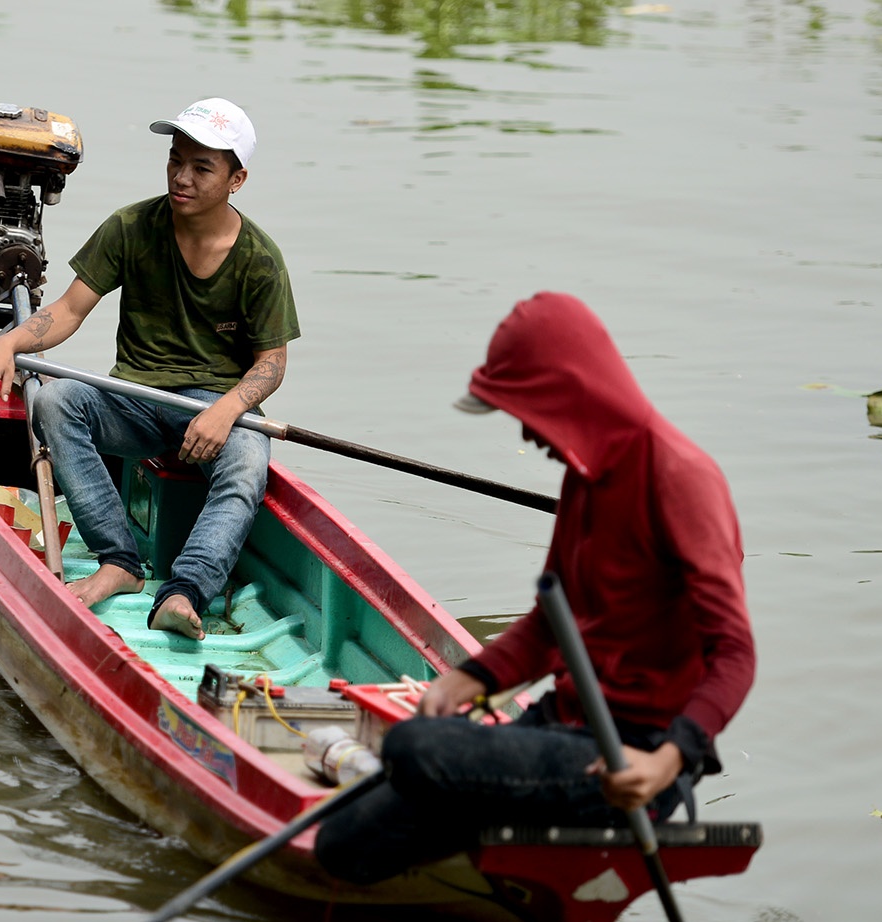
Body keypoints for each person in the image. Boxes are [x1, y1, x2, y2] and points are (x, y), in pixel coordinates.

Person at [315, 292, 756, 884]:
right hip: (561, 728)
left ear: (566, 395)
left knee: (413, 750)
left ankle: (502, 856)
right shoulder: (586, 480)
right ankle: (484, 868)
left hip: (631, 758)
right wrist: (468, 679)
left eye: (527, 409)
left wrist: (670, 758)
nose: (527, 430)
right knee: (339, 844)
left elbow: (734, 653)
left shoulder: (679, 477)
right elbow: (552, 627)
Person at [0, 98, 301, 640]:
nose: (182, 177)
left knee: (247, 464)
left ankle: (186, 591)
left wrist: (228, 410)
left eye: (202, 168)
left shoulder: (260, 258)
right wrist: (7, 344)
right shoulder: (131, 225)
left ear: (236, 179)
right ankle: (119, 561)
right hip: (133, 399)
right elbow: (69, 310)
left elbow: (271, 363)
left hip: (214, 408)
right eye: (176, 160)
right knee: (56, 400)